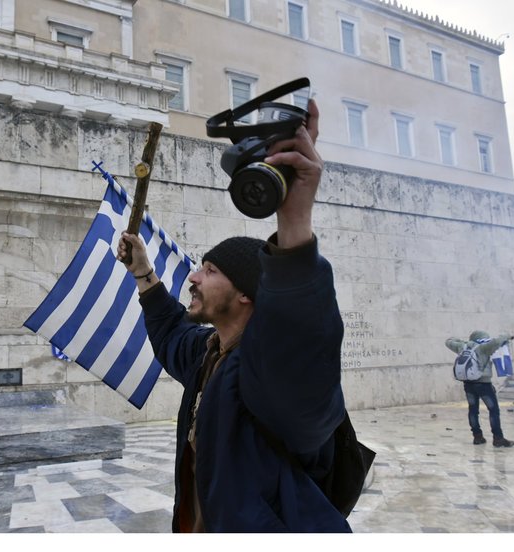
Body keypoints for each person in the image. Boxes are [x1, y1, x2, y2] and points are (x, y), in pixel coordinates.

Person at [116, 99, 350, 532]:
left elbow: (302, 339)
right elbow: (169, 334)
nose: (192, 277)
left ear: (245, 294)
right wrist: (144, 273)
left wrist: (294, 216)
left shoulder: (272, 372)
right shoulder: (211, 353)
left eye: (210, 270)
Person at [445, 331, 514, 447]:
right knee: (493, 410)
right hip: (483, 384)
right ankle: (498, 438)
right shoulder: (484, 347)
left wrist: (466, 342)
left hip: (468, 384)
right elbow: (497, 341)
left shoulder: (463, 347)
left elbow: (448, 341)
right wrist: (507, 336)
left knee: (473, 410)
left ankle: (477, 437)